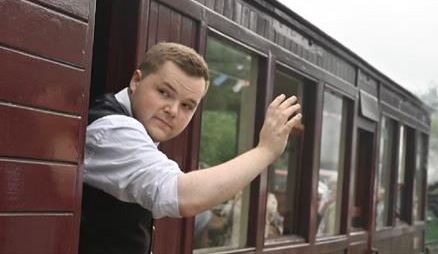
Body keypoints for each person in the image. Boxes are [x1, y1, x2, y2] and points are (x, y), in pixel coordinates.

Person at [79, 42, 302, 254]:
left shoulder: (135, 128)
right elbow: (183, 196)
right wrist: (266, 151)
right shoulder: (112, 128)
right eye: (164, 92)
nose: (173, 110)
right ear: (136, 81)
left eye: (187, 105)